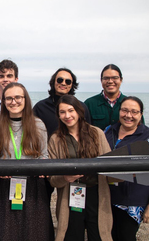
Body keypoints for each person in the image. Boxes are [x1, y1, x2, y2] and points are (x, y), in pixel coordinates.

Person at [0, 82, 54, 241]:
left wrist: (41, 170)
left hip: (33, 187)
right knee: (6, 234)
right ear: (3, 102)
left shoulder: (38, 125)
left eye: (18, 97)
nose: (13, 101)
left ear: (25, 99)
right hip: (5, 188)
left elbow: (44, 155)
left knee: (34, 233)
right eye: (8, 98)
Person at [48, 95, 113, 241]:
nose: (67, 116)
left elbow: (110, 166)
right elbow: (52, 179)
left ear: (79, 111)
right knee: (71, 235)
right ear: (58, 115)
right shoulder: (56, 139)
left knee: (98, 235)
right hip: (70, 196)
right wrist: (65, 178)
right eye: (62, 112)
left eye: (71, 110)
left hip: (96, 193)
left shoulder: (97, 133)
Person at [104, 96, 149, 241]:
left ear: (141, 115)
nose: (128, 115)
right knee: (109, 236)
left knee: (126, 236)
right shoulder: (108, 131)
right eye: (124, 110)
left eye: (134, 112)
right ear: (119, 112)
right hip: (108, 197)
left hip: (133, 201)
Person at [34, 67, 91, 138]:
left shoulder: (81, 107)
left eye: (68, 81)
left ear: (72, 85)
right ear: (53, 82)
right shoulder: (40, 107)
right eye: (60, 80)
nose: (63, 83)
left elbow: (88, 133)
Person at [85, 64, 145, 131]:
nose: (110, 81)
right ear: (101, 80)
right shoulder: (89, 104)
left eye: (114, 78)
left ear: (121, 80)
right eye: (106, 78)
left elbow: (142, 130)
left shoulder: (131, 104)